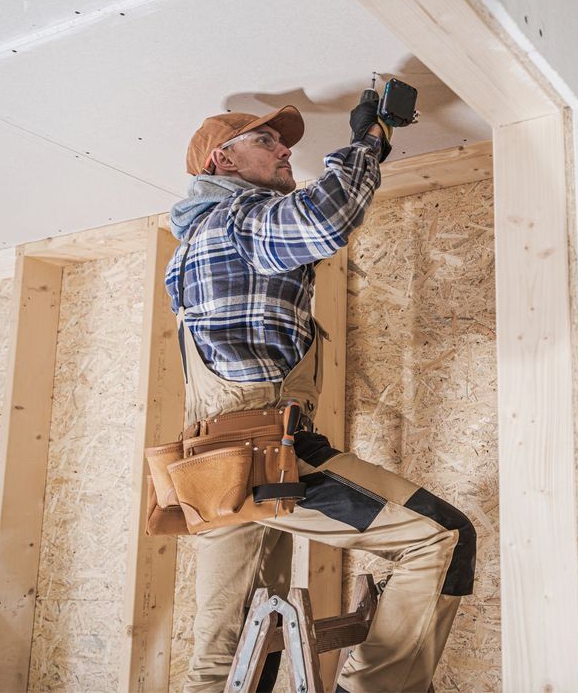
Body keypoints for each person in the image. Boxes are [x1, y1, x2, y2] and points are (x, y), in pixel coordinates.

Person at [165, 102, 476, 693]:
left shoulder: (193, 248)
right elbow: (324, 219)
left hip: (214, 471)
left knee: (229, 658)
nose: (286, 151)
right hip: (267, 454)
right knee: (441, 536)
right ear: (221, 160)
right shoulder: (236, 219)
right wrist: (370, 138)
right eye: (267, 141)